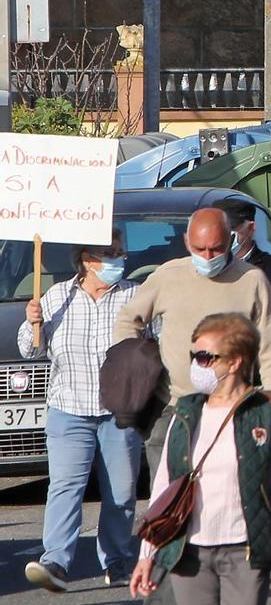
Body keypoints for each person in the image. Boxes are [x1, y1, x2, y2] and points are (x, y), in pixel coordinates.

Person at [131, 313, 271, 605]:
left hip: (245, 549)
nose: (197, 365)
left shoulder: (268, 412)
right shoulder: (185, 412)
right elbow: (163, 487)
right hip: (189, 551)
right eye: (194, 356)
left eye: (206, 357)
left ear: (235, 362)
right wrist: (147, 554)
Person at [21, 234, 141, 595]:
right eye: (110, 253)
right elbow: (29, 350)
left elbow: (160, 344)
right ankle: (56, 559)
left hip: (119, 410)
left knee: (121, 490)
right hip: (69, 408)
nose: (119, 259)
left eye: (121, 252)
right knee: (65, 486)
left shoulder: (136, 296)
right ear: (87, 259)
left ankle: (117, 559)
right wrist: (32, 323)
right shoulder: (57, 296)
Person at [115, 207, 271, 410]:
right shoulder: (167, 276)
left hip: (233, 407)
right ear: (187, 242)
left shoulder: (252, 280)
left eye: (216, 249)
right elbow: (128, 320)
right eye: (199, 249)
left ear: (230, 242)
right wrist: (136, 363)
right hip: (173, 406)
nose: (207, 257)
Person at [217, 199, 271, 332]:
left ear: (251, 228)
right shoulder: (198, 270)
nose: (223, 235)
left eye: (231, 228)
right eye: (219, 228)